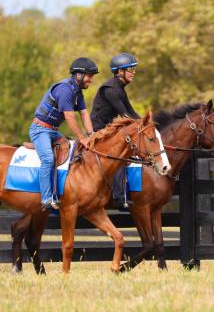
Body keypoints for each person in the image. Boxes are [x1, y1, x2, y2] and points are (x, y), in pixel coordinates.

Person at [29, 57, 99, 211]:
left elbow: (84, 114)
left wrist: (91, 134)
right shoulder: (65, 89)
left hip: (53, 131)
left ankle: (64, 191)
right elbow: (69, 117)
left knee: (73, 151)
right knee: (48, 159)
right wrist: (82, 138)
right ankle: (46, 199)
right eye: (89, 76)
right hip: (39, 130)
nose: (91, 79)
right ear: (79, 75)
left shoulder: (77, 92)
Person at [90, 52, 140, 209]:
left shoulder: (120, 88)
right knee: (119, 157)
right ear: (119, 72)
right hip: (98, 132)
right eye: (130, 69)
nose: (133, 72)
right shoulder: (110, 89)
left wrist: (149, 125)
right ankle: (119, 198)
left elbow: (132, 113)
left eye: (133, 69)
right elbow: (125, 115)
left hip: (109, 130)